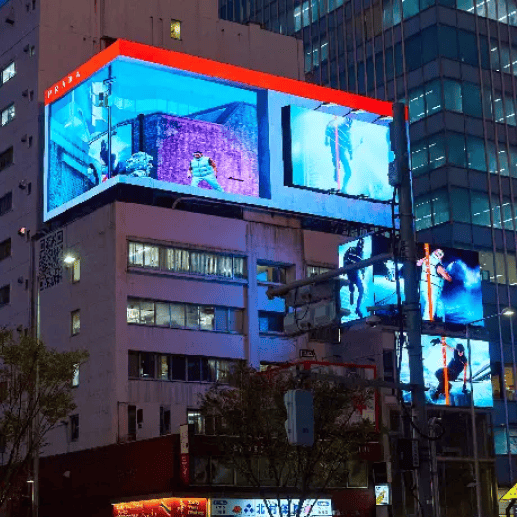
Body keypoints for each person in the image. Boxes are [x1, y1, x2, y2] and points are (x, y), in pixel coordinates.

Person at [417, 248, 452, 321]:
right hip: (432, 289)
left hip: (424, 288)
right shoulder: (438, 265)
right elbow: (448, 278)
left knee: (440, 305)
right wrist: (447, 275)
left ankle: (440, 321)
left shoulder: (427, 259)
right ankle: (426, 327)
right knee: (430, 309)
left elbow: (418, 263)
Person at [324, 116, 353, 193]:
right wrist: (326, 139)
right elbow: (328, 129)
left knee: (348, 172)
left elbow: (349, 144)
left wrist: (350, 154)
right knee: (338, 171)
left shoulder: (347, 133)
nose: (348, 127)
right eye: (347, 125)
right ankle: (338, 187)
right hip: (336, 153)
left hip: (341, 153)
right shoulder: (337, 128)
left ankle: (343, 188)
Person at [342, 238, 365, 318]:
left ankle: (357, 308)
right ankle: (351, 295)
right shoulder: (351, 249)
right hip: (350, 273)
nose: (361, 247)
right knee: (352, 288)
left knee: (361, 290)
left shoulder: (361, 253)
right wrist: (344, 268)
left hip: (355, 274)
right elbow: (345, 258)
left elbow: (362, 263)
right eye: (360, 245)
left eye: (362, 246)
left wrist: (363, 272)